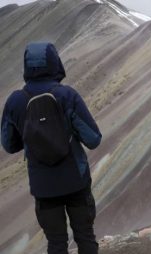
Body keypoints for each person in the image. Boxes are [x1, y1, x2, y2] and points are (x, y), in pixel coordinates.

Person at [1, 42, 102, 254]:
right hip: (76, 180)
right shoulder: (67, 95)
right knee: (85, 236)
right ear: (55, 62)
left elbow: (9, 145)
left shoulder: (15, 101)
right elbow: (93, 138)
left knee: (56, 243)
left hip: (43, 186)